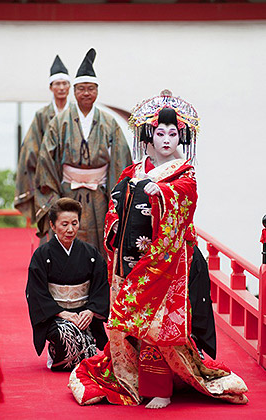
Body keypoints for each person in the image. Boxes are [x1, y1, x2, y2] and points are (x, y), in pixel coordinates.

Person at [69, 91, 248, 408]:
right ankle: (131, 378)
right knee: (127, 326)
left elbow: (184, 200)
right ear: (149, 135)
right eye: (161, 133)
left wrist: (160, 193)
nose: (167, 139)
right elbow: (115, 207)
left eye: (174, 133)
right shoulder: (134, 170)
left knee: (158, 327)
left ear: (181, 137)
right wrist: (115, 225)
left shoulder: (184, 174)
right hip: (127, 262)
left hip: (163, 262)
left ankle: (161, 387)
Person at [34, 48, 132, 251]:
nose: (86, 93)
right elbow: (45, 159)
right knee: (66, 240)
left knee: (99, 246)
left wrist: (116, 197)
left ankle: (98, 282)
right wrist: (54, 198)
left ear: (97, 91)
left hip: (100, 194)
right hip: (67, 192)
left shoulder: (108, 121)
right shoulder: (59, 122)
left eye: (91, 88)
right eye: (81, 88)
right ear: (74, 91)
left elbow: (122, 159)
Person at [25, 198, 109, 371]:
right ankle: (57, 351)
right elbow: (35, 292)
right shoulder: (42, 255)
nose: (70, 229)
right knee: (65, 334)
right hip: (56, 315)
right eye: (64, 224)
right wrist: (61, 313)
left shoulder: (90, 253)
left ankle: (81, 349)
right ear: (53, 225)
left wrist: (92, 310)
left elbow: (101, 285)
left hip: (83, 312)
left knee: (86, 346)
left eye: (74, 223)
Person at [15, 54, 71, 223]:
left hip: (73, 176)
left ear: (69, 87)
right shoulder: (42, 115)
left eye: (64, 83)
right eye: (57, 84)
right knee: (51, 221)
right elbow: (31, 148)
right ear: (51, 87)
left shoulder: (76, 113)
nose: (61, 87)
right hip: (48, 177)